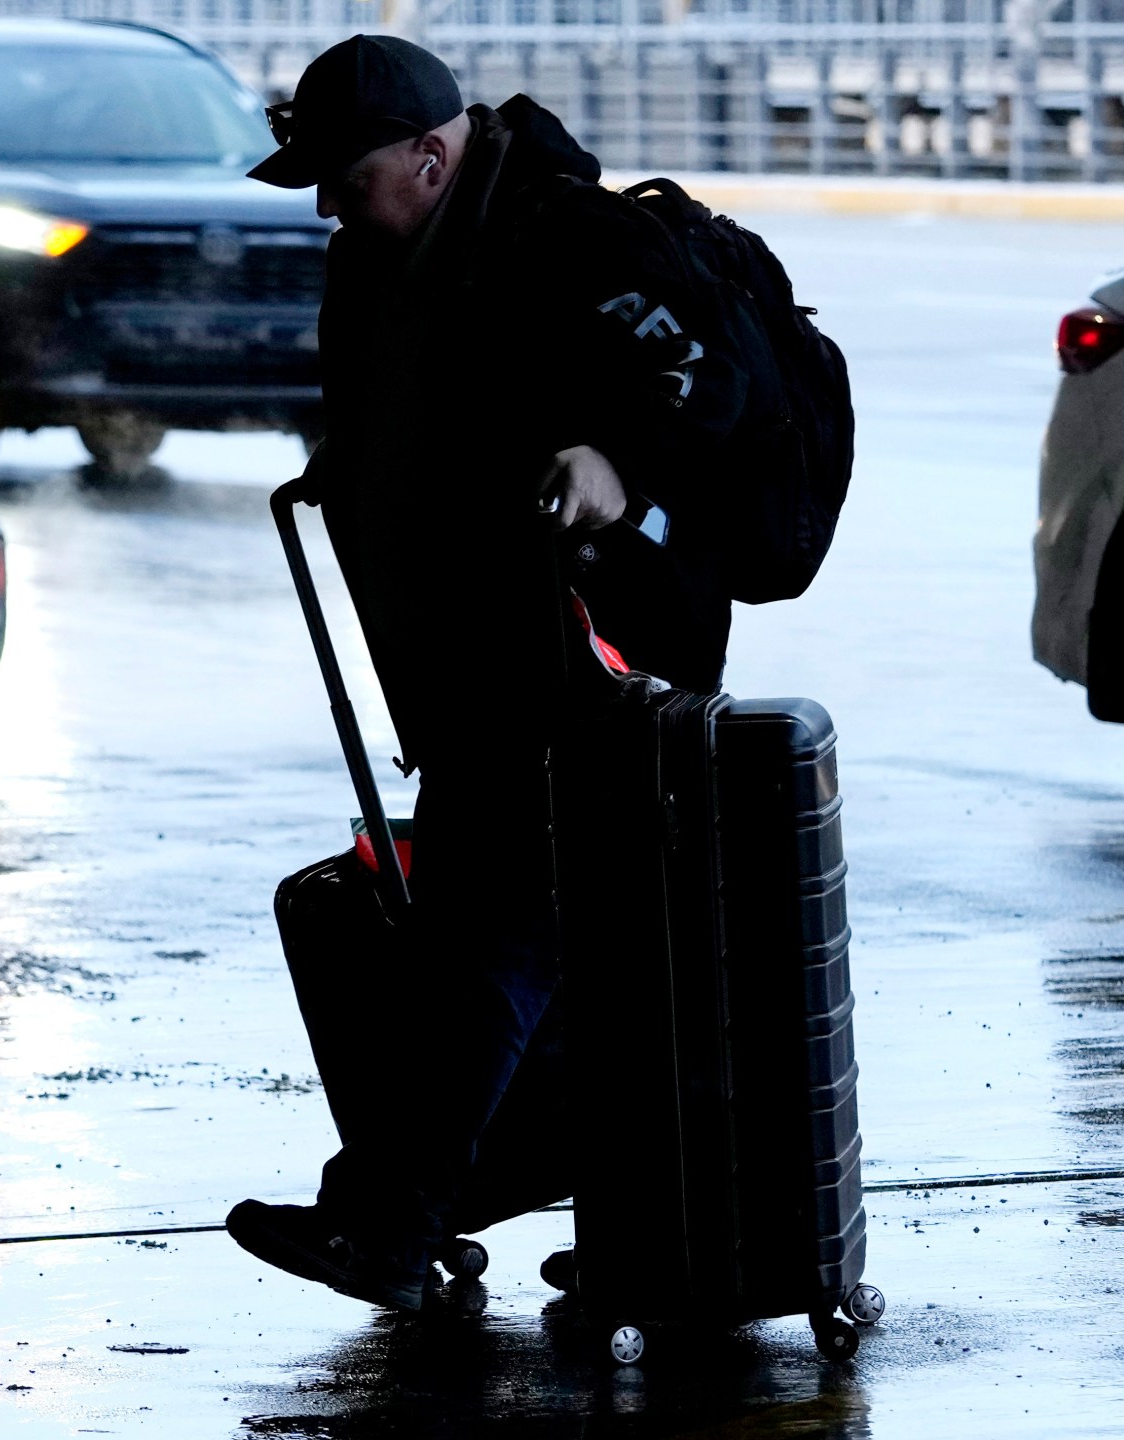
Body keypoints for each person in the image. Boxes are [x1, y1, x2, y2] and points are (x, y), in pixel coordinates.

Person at [225, 34, 742, 1311]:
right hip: (464, 665)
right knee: (492, 941)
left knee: (494, 938)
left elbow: (706, 380)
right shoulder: (378, 255)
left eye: (346, 177)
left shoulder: (566, 236)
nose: (329, 203)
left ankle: (393, 1225)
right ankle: (444, 1219)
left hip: (587, 664)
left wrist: (614, 456)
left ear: (428, 151)